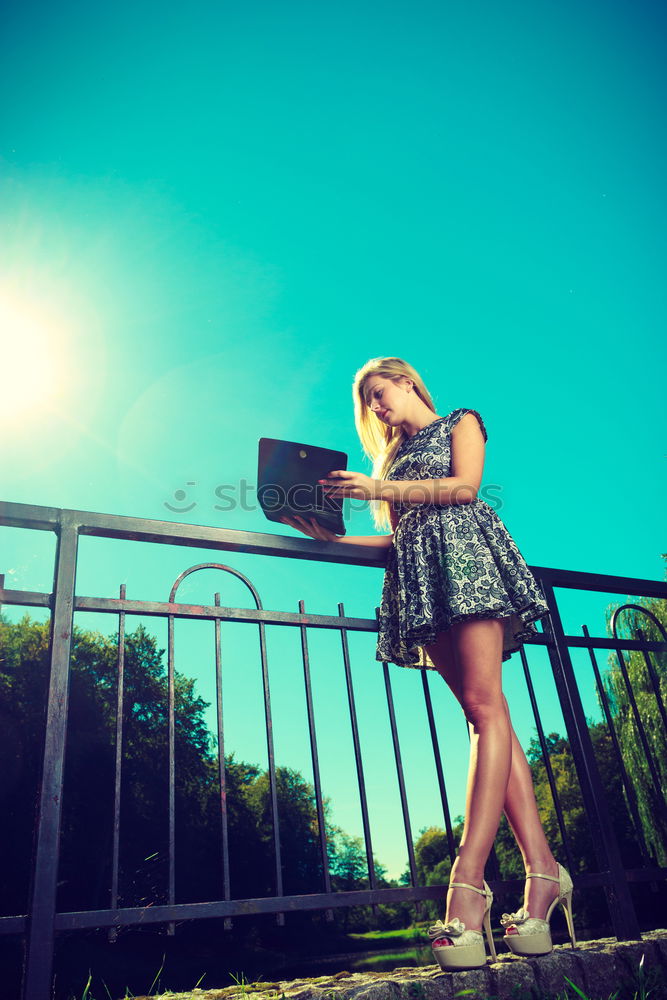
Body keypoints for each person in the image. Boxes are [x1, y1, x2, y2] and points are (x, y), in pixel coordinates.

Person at [280, 356, 576, 970]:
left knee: (484, 711)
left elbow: (464, 489)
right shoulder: (387, 463)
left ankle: (468, 884)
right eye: (368, 403)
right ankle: (544, 875)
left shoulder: (461, 422)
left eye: (379, 392)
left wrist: (377, 489)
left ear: (407, 381)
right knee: (484, 714)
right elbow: (398, 539)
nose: (376, 407)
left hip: (467, 561)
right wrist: (332, 541)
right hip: (421, 578)